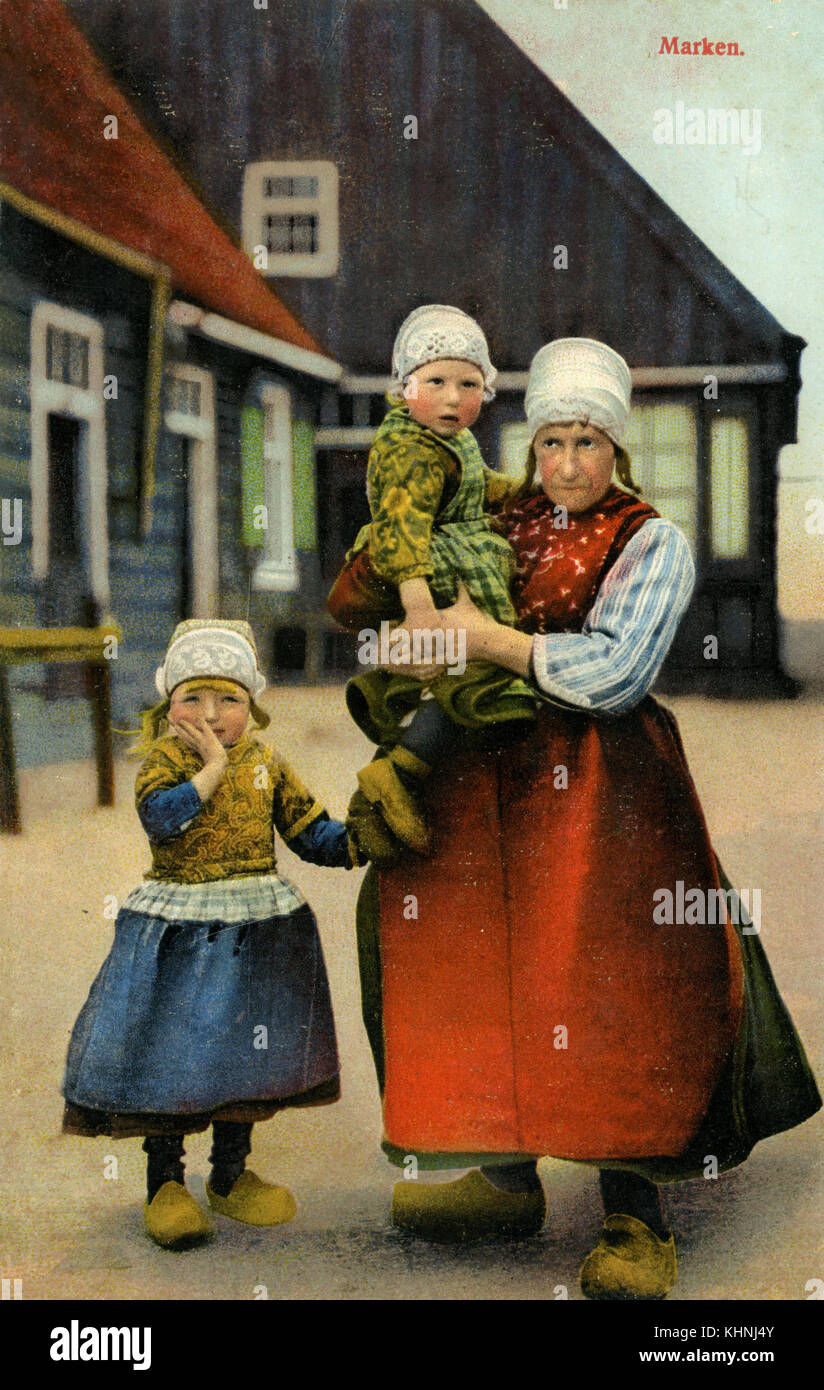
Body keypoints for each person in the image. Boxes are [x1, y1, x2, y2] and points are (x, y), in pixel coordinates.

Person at [349, 338, 821, 1300]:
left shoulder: (649, 541)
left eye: (584, 443)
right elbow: (402, 583)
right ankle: (502, 1174)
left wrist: (488, 639)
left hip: (605, 790)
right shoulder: (498, 518)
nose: (564, 463)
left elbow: (615, 673)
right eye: (550, 442)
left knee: (605, 977)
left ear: (617, 450)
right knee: (464, 953)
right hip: (486, 777)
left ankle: (633, 1215)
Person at [62, 619, 360, 1250]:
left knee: (241, 1054)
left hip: (254, 931)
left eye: (230, 699)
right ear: (169, 703)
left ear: (252, 703)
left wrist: (360, 841)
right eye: (193, 697)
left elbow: (309, 833)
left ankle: (230, 1174)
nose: (212, 713)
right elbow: (161, 819)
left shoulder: (268, 763)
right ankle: (166, 1182)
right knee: (170, 1051)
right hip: (178, 932)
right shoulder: (166, 761)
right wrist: (212, 768)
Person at [328, 303, 539, 857]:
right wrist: (419, 607)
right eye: (437, 381)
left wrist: (524, 494)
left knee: (459, 675)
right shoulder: (408, 449)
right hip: (426, 568)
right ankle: (399, 774)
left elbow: (476, 484)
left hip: (453, 558)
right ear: (404, 388)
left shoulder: (452, 440)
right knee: (480, 675)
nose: (453, 397)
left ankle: (397, 780)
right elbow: (400, 527)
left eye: (468, 383)